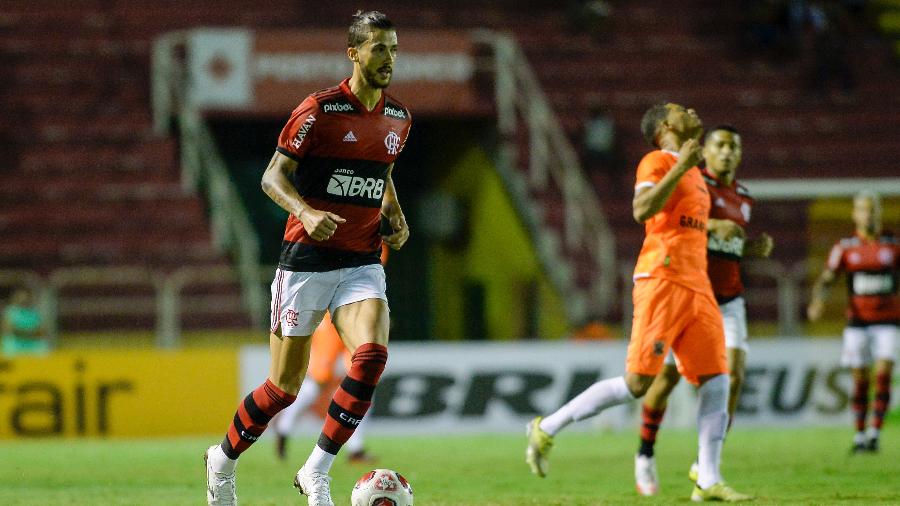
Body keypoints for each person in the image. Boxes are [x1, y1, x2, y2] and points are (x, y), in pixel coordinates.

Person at [204, 10, 411, 506]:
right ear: (354, 53)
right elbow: (272, 177)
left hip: (361, 262)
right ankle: (222, 462)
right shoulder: (318, 110)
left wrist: (396, 217)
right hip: (305, 261)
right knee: (284, 388)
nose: (388, 58)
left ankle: (316, 470)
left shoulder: (398, 118)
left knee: (371, 357)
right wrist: (305, 209)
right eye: (379, 48)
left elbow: (381, 173)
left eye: (394, 48)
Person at [525, 103, 752, 502]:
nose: (693, 110)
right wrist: (680, 167)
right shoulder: (657, 161)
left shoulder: (698, 173)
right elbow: (641, 209)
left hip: (698, 286)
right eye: (682, 110)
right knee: (637, 384)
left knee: (718, 379)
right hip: (661, 279)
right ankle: (547, 427)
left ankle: (709, 478)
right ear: (666, 125)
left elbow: (696, 227)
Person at [632, 125, 774, 496]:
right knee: (664, 381)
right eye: (720, 145)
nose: (727, 153)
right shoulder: (692, 182)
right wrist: (714, 223)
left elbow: (726, 246)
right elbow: (677, 222)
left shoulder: (744, 197)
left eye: (734, 147)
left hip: (727, 299)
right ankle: (645, 452)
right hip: (684, 295)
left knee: (734, 376)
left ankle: (705, 467)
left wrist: (752, 249)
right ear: (705, 151)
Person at [274, 245, 390, 464]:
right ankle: (284, 426)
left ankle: (356, 449)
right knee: (318, 381)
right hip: (329, 316)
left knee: (363, 379)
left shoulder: (373, 237)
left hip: (358, 317)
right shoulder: (336, 228)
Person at [808, 191, 898, 453]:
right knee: (860, 379)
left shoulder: (892, 246)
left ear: (879, 213)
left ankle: (874, 433)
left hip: (888, 322)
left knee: (883, 374)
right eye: (862, 209)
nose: (867, 214)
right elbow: (827, 278)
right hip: (857, 322)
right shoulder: (845, 247)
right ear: (854, 214)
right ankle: (859, 434)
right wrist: (818, 301)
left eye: (872, 209)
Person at [1, 286, 48, 357]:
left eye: (26, 296)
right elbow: (9, 330)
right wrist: (29, 333)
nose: (23, 299)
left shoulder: (35, 312)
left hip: (32, 343)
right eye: (20, 296)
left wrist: (27, 333)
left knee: (44, 346)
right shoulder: (10, 311)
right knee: (8, 343)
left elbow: (42, 331)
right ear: (15, 297)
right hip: (16, 344)